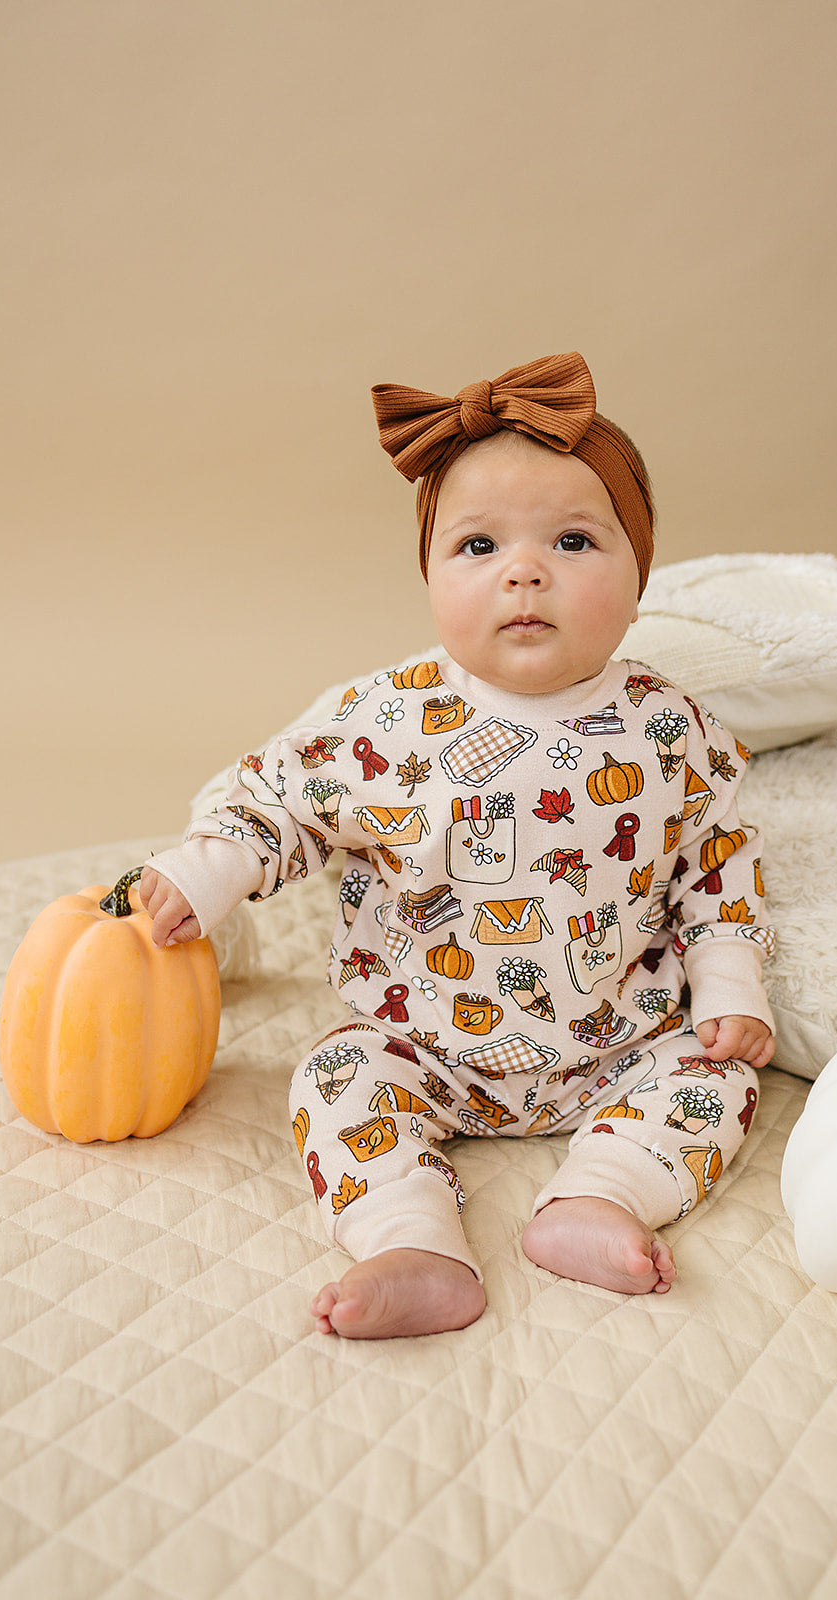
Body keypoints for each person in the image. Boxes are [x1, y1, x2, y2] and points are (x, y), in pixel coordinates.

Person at [140, 352, 776, 1340]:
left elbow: (718, 861)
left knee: (717, 1079)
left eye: (572, 540)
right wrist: (209, 870)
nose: (524, 572)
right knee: (336, 1082)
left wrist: (729, 984)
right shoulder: (386, 719)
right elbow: (282, 801)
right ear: (430, 576)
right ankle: (410, 1240)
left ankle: (601, 1195)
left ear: (638, 575)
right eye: (478, 545)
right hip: (421, 1038)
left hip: (619, 1039)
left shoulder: (669, 728)